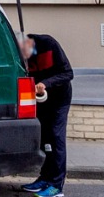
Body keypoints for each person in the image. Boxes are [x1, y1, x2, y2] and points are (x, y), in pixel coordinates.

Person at [21, 32, 74, 197]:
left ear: (29, 43)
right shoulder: (23, 55)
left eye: (24, 52)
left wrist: (46, 83)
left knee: (57, 138)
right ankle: (45, 179)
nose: (25, 58)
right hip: (42, 101)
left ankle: (57, 186)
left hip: (59, 100)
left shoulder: (48, 44)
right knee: (45, 140)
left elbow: (68, 73)